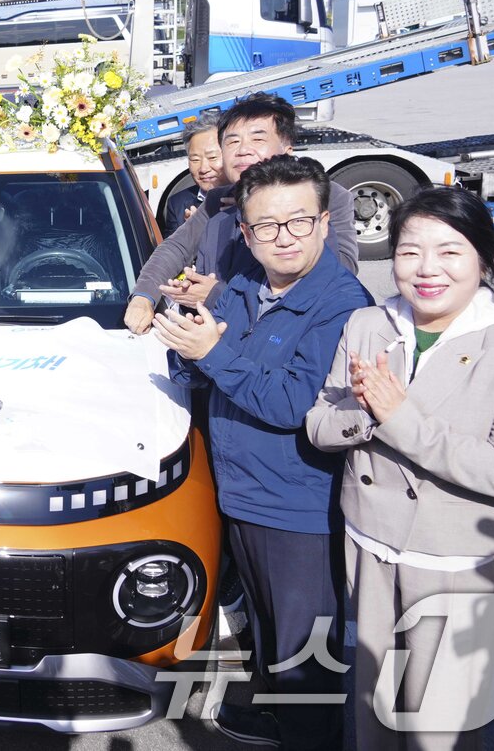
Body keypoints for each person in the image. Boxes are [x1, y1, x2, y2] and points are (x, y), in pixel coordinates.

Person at [306, 186, 494, 749]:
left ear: (483, 261)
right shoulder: (368, 325)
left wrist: (398, 417)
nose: (426, 269)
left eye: (449, 251)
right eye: (410, 250)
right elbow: (320, 424)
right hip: (368, 544)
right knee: (370, 709)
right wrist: (363, 419)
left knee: (440, 724)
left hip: (455, 562)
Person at [154, 156, 372, 748]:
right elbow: (204, 362)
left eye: (298, 221)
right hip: (242, 496)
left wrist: (210, 353)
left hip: (299, 510)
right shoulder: (246, 283)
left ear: (325, 223)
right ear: (244, 233)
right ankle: (278, 722)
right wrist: (186, 345)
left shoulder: (344, 305)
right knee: (270, 642)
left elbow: (292, 404)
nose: (283, 238)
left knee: (307, 663)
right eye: (265, 226)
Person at [125, 93, 360, 333]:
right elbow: (176, 248)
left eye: (257, 139)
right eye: (232, 141)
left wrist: (218, 294)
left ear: (287, 149)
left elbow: (341, 272)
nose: (242, 150)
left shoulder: (327, 197)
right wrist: (144, 297)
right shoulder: (219, 200)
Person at [162, 115, 224, 237]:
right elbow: (173, 253)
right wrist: (190, 233)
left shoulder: (249, 195)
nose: (203, 168)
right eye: (195, 160)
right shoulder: (177, 204)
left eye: (212, 157)